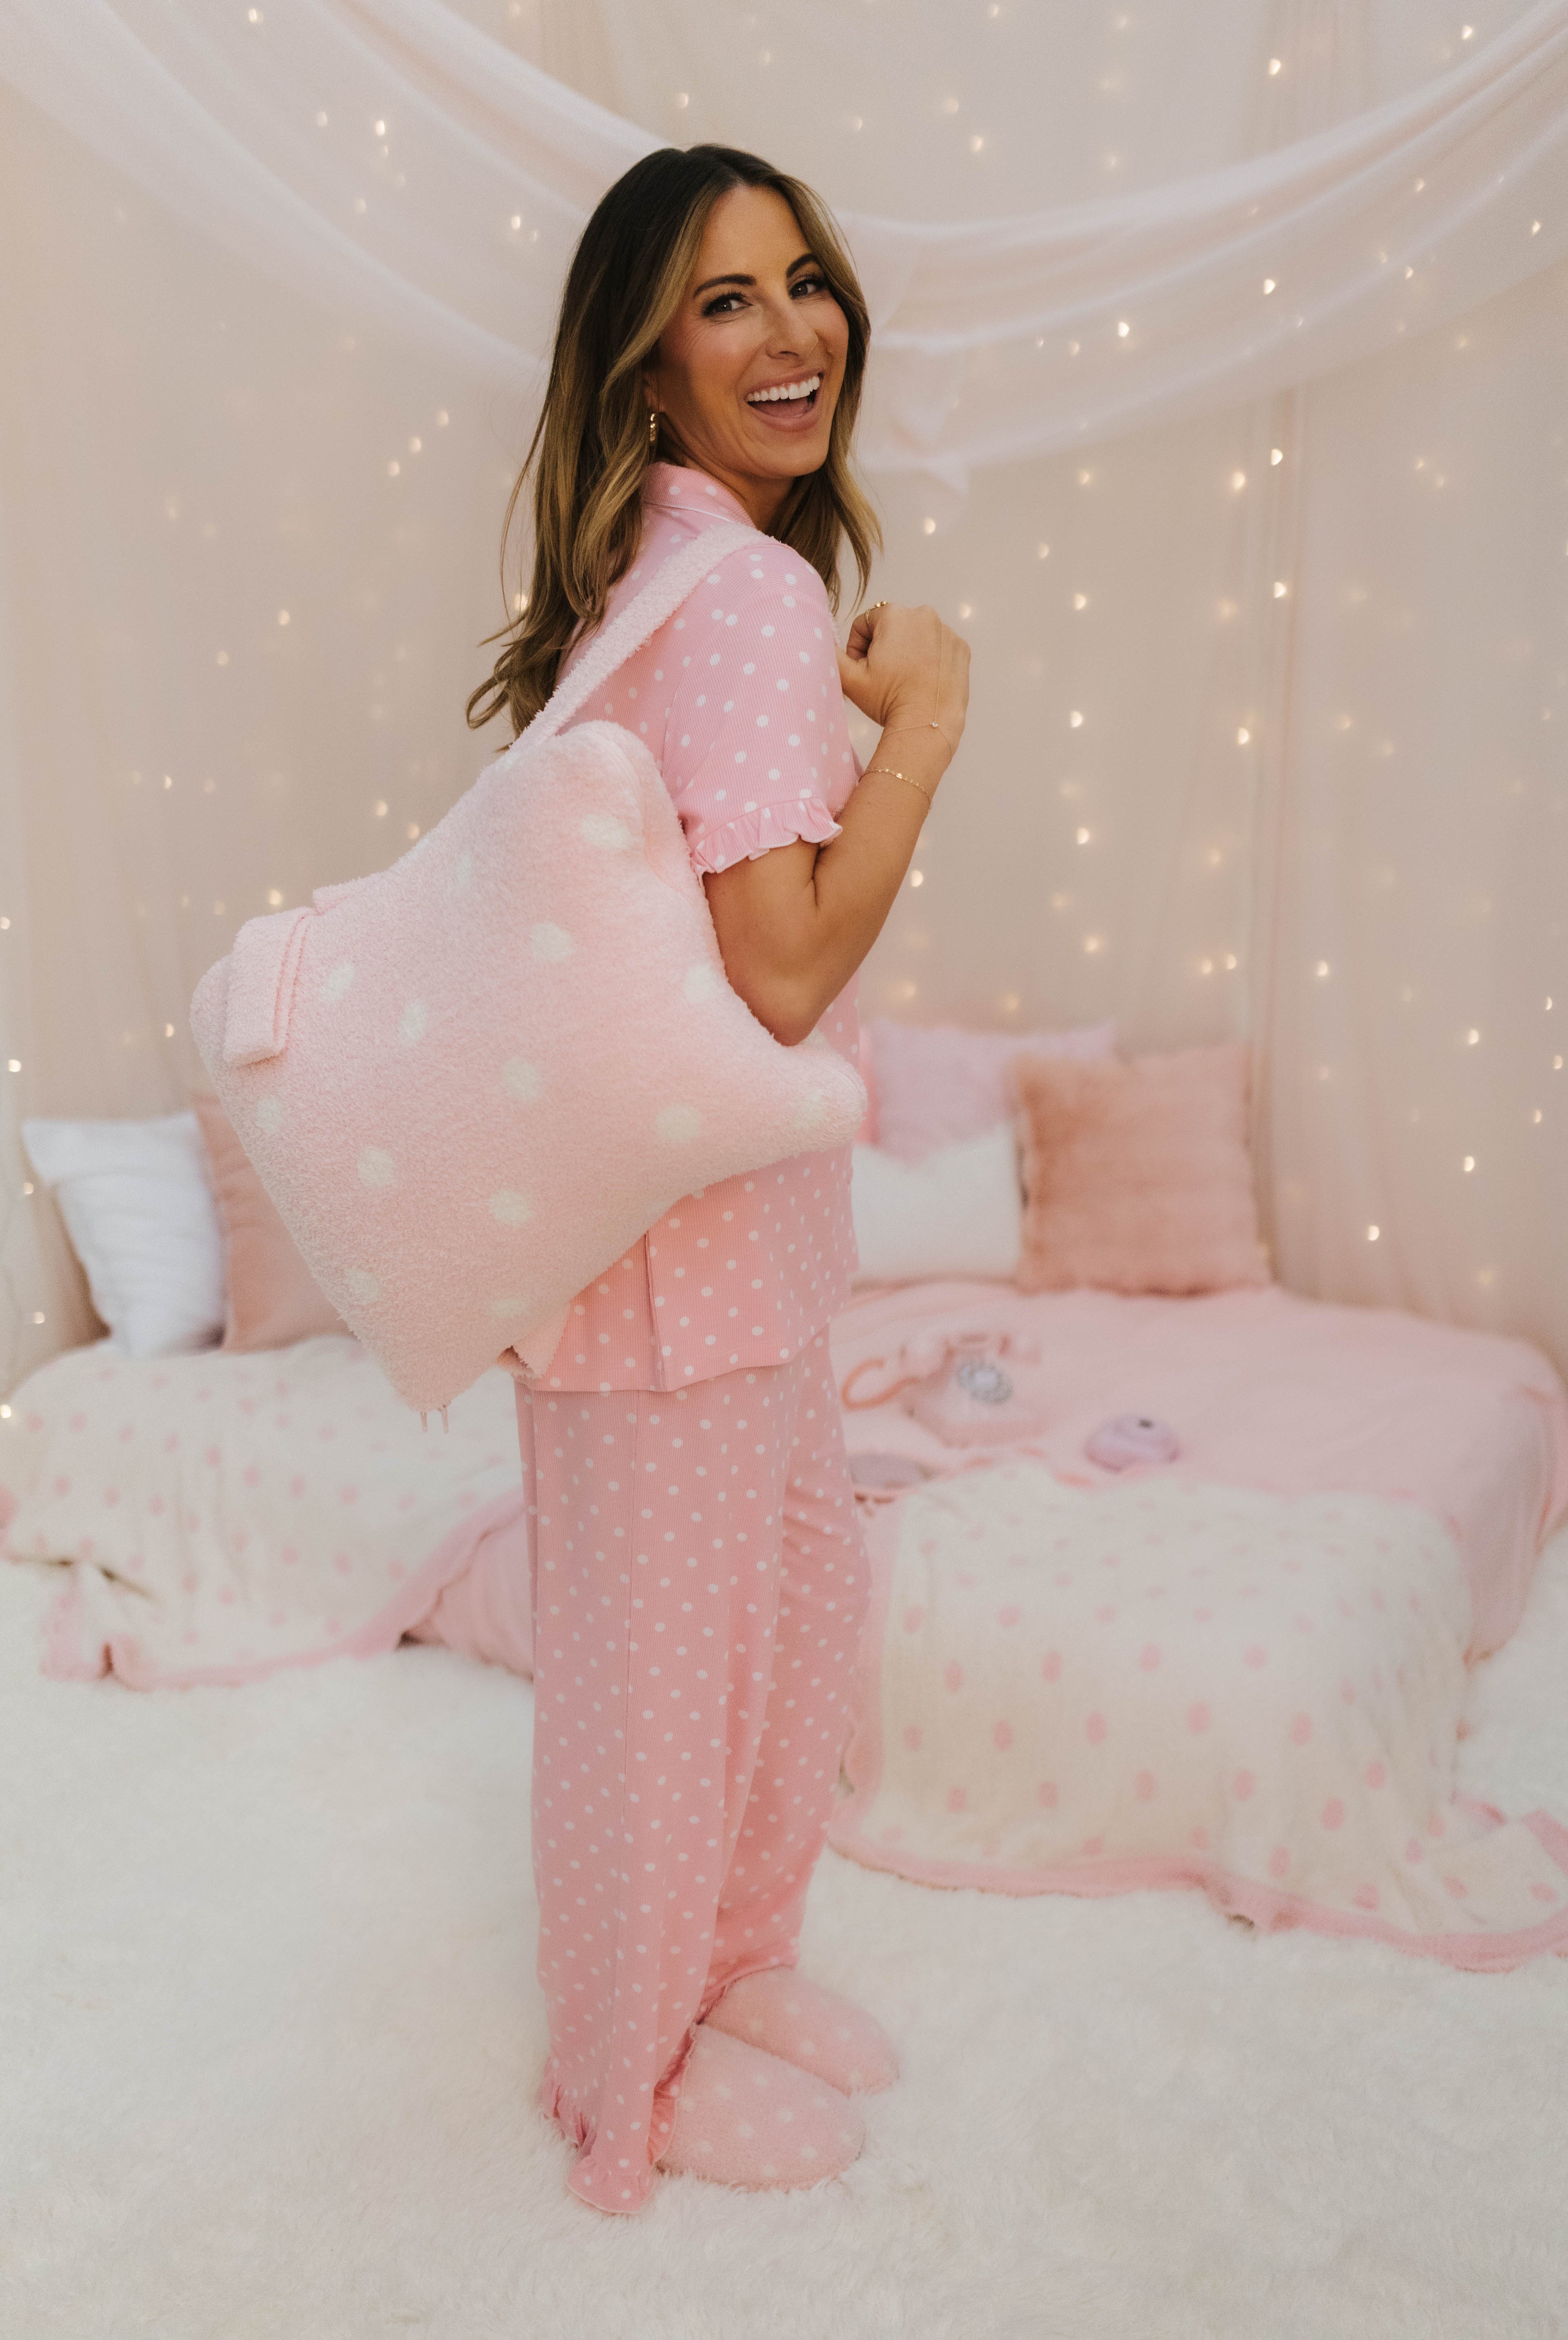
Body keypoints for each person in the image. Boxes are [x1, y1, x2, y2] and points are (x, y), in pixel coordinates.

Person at [467, 142, 969, 2215]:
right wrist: (928, 722)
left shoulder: (668, 581)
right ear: (644, 364)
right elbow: (775, 973)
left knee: (785, 1621)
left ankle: (735, 1964)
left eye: (803, 282)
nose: (791, 334)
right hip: (667, 1272)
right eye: (724, 301)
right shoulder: (743, 595)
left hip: (737, 1253)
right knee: (658, 1691)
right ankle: (625, 2077)